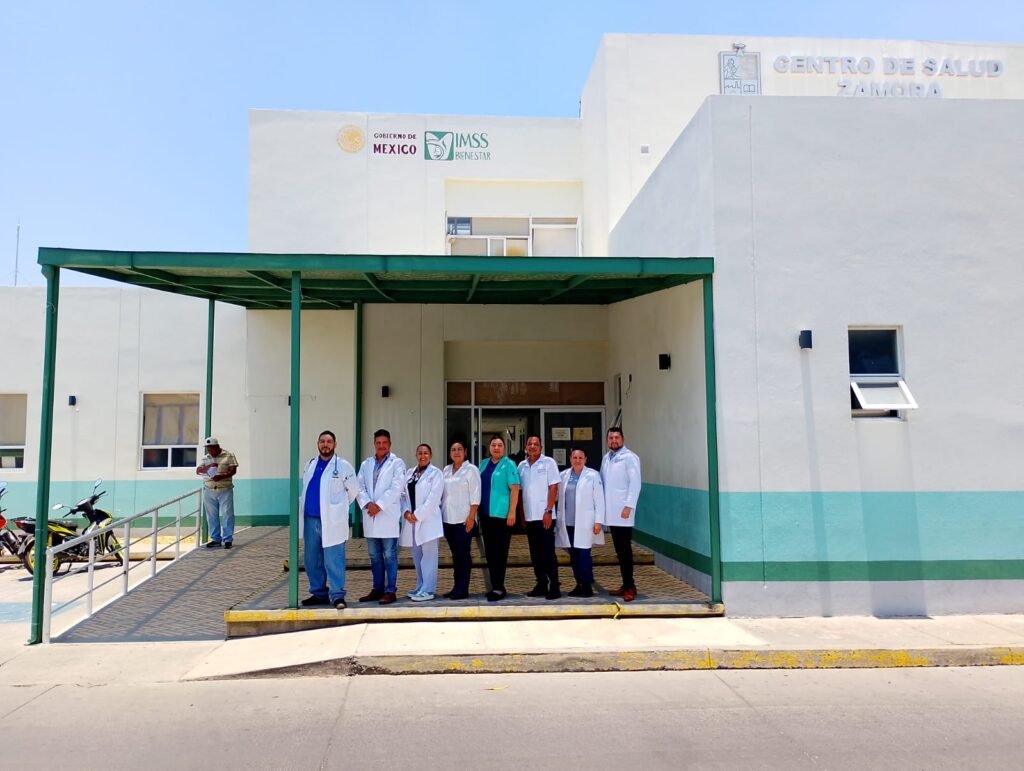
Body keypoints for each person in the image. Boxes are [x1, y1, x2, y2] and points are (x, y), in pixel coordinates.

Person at [299, 430, 360, 609]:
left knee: (334, 559)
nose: (325, 444)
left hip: (332, 521)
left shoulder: (343, 466)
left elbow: (353, 490)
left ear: (335, 444)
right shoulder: (310, 463)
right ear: (318, 444)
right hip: (311, 519)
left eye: (329, 441)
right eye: (322, 441)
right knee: (312, 559)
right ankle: (319, 593)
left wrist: (338, 508)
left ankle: (337, 595)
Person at [356, 429, 406, 605]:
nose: (381, 446)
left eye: (385, 443)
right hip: (370, 515)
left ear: (390, 444)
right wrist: (368, 503)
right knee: (374, 555)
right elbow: (359, 486)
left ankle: (390, 590)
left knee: (390, 555)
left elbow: (397, 487)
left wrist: (379, 505)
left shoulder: (397, 463)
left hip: (387, 515)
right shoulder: (366, 464)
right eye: (378, 443)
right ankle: (377, 589)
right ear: (374, 444)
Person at [555, 448, 606, 597]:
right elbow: (557, 497)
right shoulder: (563, 475)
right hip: (568, 523)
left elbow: (599, 500)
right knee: (574, 556)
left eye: (580, 458)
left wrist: (599, 521)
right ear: (570, 459)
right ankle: (579, 584)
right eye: (575, 457)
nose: (577, 460)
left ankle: (587, 586)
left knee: (584, 554)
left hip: (585, 523)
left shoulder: (593, 475)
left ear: (585, 459)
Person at [600, 426, 642, 602]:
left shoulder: (630, 458)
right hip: (611, 512)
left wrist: (629, 506)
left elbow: (635, 483)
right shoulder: (606, 458)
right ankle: (625, 584)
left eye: (617, 438)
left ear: (622, 439)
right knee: (619, 550)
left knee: (625, 551)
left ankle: (630, 586)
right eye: (611, 438)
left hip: (623, 512)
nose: (614, 441)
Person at [517, 436, 562, 600]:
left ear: (541, 447)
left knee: (548, 553)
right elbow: (521, 492)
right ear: (525, 447)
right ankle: (541, 583)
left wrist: (549, 510)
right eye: (530, 444)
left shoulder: (549, 463)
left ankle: (554, 585)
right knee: (535, 553)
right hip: (530, 517)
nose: (532, 446)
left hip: (545, 516)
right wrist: (522, 515)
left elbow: (554, 487)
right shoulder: (521, 466)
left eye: (536, 444)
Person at [478, 435, 520, 602]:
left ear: (504, 448)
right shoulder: (483, 464)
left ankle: (499, 587)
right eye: (494, 445)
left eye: (500, 445)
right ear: (489, 448)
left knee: (500, 553)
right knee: (490, 553)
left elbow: (515, 489)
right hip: (486, 515)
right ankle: (494, 585)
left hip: (502, 516)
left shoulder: (509, 464)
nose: (496, 448)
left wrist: (512, 512)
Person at [400, 443, 444, 602]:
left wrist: (417, 515)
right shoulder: (410, 473)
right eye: (420, 453)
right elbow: (402, 495)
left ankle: (428, 590)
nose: (422, 456)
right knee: (417, 557)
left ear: (430, 455)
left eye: (426, 453)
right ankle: (420, 586)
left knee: (429, 558)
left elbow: (433, 499)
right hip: (412, 521)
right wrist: (406, 512)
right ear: (416, 455)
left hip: (428, 521)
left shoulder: (436, 474)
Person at [440, 440, 480, 600]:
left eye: (459, 449)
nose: (456, 452)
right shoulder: (446, 470)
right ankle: (456, 587)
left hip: (463, 521)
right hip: (448, 520)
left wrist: (471, 517)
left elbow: (476, 496)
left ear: (465, 452)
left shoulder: (471, 470)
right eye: (453, 449)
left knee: (463, 555)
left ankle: (463, 589)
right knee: (456, 556)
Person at [196, 436, 238, 549]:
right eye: (208, 448)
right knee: (211, 516)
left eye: (212, 448)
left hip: (225, 489)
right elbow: (198, 471)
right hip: (209, 490)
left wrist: (222, 476)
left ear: (217, 446)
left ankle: (228, 539)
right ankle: (216, 539)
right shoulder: (205, 458)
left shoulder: (229, 455)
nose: (210, 450)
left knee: (227, 514)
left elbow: (233, 470)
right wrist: (208, 467)